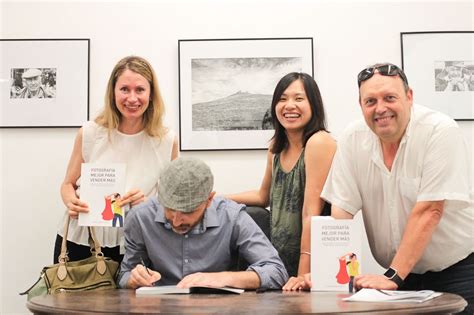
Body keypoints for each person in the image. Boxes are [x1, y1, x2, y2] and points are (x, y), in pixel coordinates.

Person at [319, 62, 473, 314]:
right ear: (361, 105)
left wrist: (393, 275)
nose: (381, 109)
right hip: (402, 276)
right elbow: (341, 215)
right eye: (370, 101)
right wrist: (334, 276)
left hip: (458, 271)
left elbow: (430, 210)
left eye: (389, 98)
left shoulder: (440, 131)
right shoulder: (352, 138)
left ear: (409, 97)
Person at [54, 56, 178, 264]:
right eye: (124, 89)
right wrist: (71, 202)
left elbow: (175, 204)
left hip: (138, 243)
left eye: (139, 90)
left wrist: (149, 205)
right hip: (82, 241)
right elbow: (68, 184)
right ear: (113, 92)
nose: (132, 98)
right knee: (71, 298)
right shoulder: (90, 133)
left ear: (151, 94)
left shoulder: (166, 140)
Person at [227, 72, 337, 290]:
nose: (289, 106)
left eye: (298, 98)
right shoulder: (275, 148)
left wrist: (303, 274)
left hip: (312, 262)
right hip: (279, 261)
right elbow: (262, 196)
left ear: (313, 104)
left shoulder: (319, 142)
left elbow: (311, 212)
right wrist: (218, 198)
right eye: (282, 99)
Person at [118, 157, 289, 290]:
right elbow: (124, 275)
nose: (176, 221)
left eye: (188, 211)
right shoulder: (140, 217)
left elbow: (276, 271)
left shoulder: (232, 216)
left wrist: (223, 278)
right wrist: (133, 279)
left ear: (209, 200)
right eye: (169, 209)